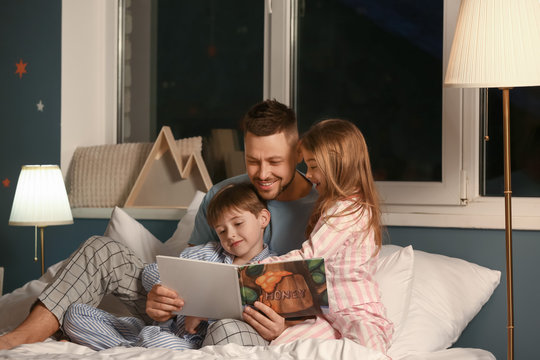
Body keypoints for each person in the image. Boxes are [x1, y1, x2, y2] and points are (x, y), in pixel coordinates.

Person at [0, 99, 317, 350]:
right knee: (102, 250)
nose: (262, 173)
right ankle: (18, 340)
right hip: (181, 316)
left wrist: (286, 327)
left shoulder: (320, 210)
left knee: (226, 330)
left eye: (274, 162)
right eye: (253, 160)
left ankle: (150, 346)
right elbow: (192, 270)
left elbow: (326, 297)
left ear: (298, 151)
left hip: (245, 322)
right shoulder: (223, 195)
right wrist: (161, 298)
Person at [237, 119, 394, 354]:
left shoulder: (350, 210)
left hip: (356, 313)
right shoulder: (333, 207)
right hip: (327, 316)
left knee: (369, 352)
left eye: (313, 166)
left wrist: (254, 268)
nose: (308, 175)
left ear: (336, 165)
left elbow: (307, 257)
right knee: (282, 347)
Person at [61, 183, 274, 350]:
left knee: (161, 345)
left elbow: (256, 321)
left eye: (238, 224)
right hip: (160, 330)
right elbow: (152, 272)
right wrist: (165, 289)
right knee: (74, 314)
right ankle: (132, 346)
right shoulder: (206, 252)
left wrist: (205, 312)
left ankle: (128, 349)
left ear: (262, 218)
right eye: (222, 230)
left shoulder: (273, 267)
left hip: (193, 345)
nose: (231, 235)